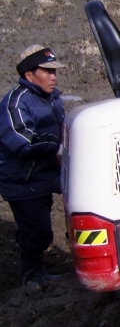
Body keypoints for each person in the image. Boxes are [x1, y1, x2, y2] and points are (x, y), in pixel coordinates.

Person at [0, 45, 66, 292]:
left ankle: (40, 272)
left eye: (54, 71)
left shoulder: (53, 99)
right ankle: (31, 277)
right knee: (36, 231)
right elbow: (22, 141)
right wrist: (58, 147)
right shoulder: (15, 103)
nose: (53, 76)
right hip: (22, 181)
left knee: (42, 227)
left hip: (45, 177)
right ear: (29, 74)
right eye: (47, 71)